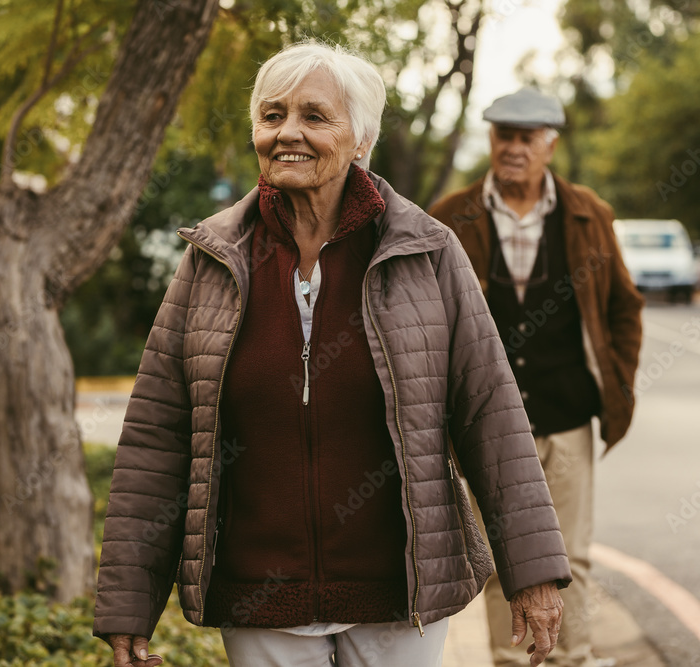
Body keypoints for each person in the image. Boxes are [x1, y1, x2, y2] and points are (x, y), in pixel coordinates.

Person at [92, 43, 573, 667]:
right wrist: (130, 601)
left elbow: (492, 415)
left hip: (399, 597)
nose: (288, 132)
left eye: (314, 117)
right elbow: (157, 440)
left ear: (361, 138)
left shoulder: (426, 252)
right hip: (260, 595)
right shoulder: (212, 259)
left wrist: (531, 572)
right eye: (272, 116)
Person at [428, 88, 644, 667]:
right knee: (502, 560)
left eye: (527, 137)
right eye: (504, 136)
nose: (513, 148)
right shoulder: (451, 216)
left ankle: (571, 660)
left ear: (550, 144)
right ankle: (510, 661)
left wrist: (616, 379)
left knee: (569, 559)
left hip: (565, 417)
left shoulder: (588, 214)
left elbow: (625, 306)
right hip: (482, 423)